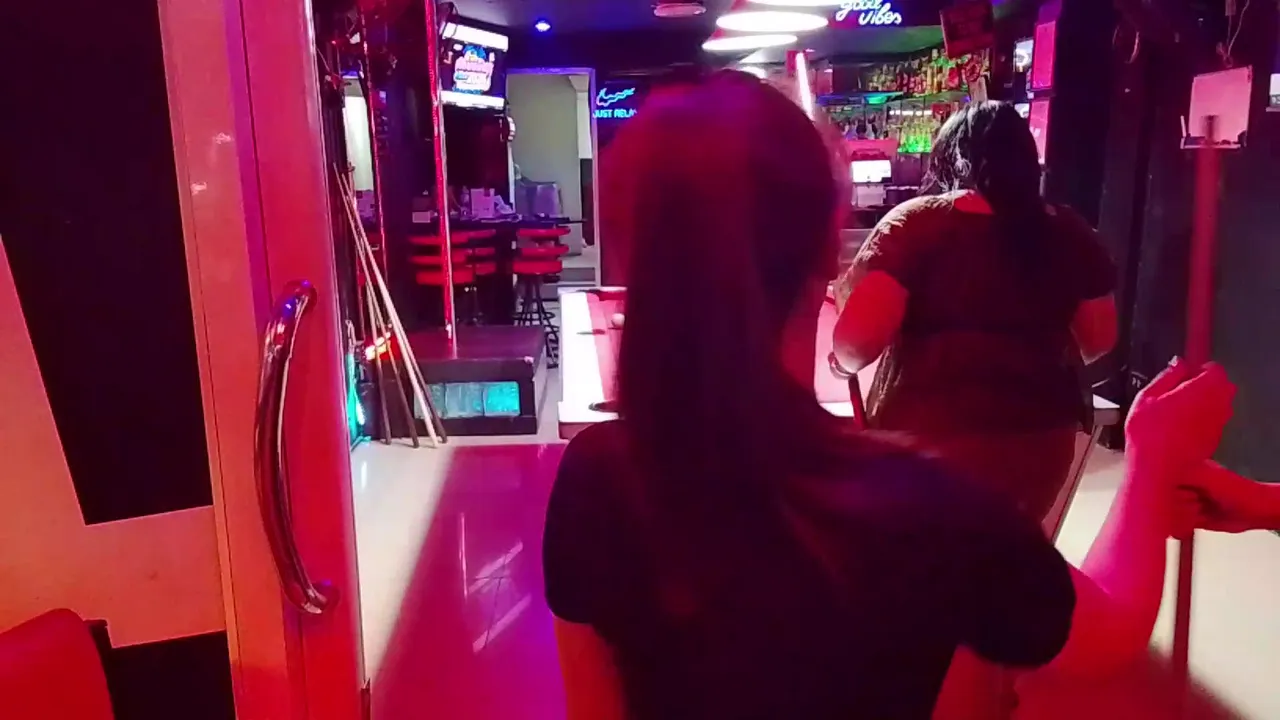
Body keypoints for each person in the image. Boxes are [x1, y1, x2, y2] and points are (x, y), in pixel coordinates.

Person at [542, 72, 1245, 720]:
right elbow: (1111, 634)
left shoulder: (595, 474)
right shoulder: (931, 508)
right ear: (827, 251)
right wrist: (1151, 460)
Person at [832, 101, 1118, 522]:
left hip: (930, 439)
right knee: (1010, 551)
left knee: (928, 555)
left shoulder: (916, 223)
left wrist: (839, 365)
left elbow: (858, 341)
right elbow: (1098, 340)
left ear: (950, 158)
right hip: (1043, 437)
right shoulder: (1068, 229)